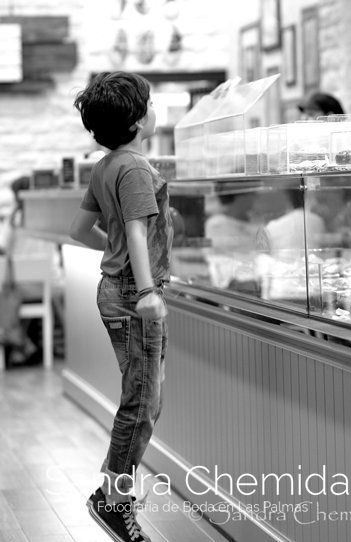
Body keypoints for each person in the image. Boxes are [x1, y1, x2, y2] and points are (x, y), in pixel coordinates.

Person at [70, 71, 173, 542]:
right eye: (149, 103)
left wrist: (115, 257)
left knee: (143, 395)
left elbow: (80, 229)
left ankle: (114, 479)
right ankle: (113, 500)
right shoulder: (133, 167)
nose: (154, 110)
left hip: (118, 288)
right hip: (134, 295)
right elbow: (134, 232)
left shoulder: (107, 164)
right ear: (135, 119)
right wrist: (148, 289)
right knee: (141, 403)